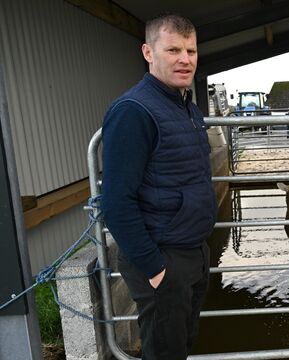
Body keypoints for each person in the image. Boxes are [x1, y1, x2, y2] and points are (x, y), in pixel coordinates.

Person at [101, 13, 217, 360]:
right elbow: (117, 202)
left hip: (193, 251)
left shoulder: (187, 108)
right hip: (163, 258)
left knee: (182, 344)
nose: (185, 59)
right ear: (148, 53)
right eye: (173, 50)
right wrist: (155, 269)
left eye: (191, 51)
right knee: (164, 351)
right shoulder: (134, 111)